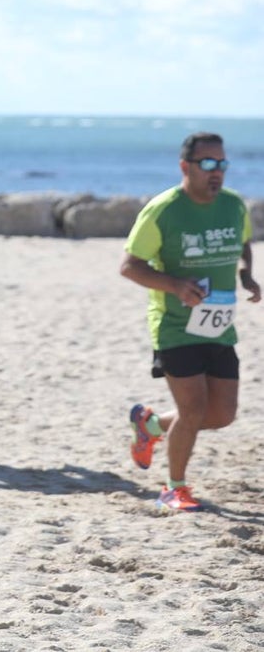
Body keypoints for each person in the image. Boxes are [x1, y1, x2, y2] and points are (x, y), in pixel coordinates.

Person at [120, 131, 259, 512]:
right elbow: (129, 266)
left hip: (219, 324)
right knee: (194, 409)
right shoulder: (163, 209)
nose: (217, 172)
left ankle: (150, 426)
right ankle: (173, 488)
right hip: (174, 325)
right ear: (186, 166)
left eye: (223, 164)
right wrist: (175, 285)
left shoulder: (232, 206)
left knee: (221, 415)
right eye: (208, 164)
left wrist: (246, 274)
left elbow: (242, 241)